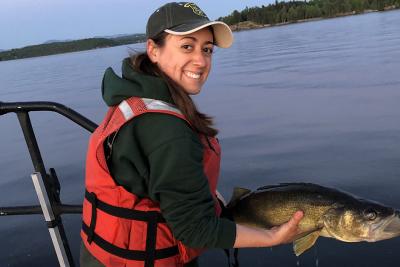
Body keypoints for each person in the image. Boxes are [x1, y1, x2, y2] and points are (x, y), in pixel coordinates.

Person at [80, 2, 303, 267]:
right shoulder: (166, 130)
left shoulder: (134, 96)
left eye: (207, 49)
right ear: (153, 49)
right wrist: (272, 236)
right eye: (187, 46)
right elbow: (195, 230)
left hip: (99, 256)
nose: (201, 60)